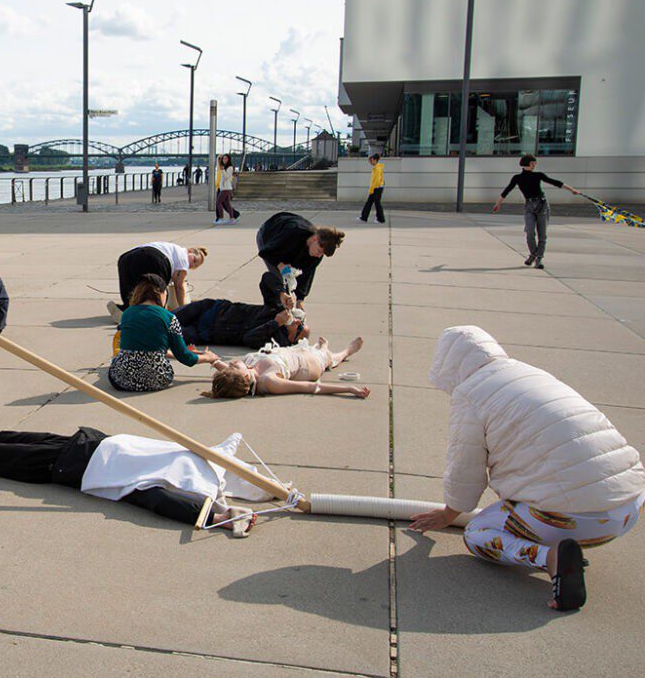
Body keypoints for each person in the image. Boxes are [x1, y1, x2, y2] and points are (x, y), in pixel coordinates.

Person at [410, 326, 645, 612]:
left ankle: (550, 557)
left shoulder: (470, 394)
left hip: (572, 519)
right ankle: (566, 546)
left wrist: (449, 514)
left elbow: (465, 467)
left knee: (476, 533)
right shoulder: (530, 374)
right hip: (630, 508)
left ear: (448, 364)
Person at [0, 399, 267, 536]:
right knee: (3, 436)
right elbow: (230, 448)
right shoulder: (203, 460)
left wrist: (219, 516)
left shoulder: (188, 486)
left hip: (67, 467)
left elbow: (163, 502)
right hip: (85, 441)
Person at [108, 274, 219, 392]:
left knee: (116, 362)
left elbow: (141, 347)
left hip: (122, 380)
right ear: (162, 293)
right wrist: (208, 357)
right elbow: (186, 358)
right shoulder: (169, 318)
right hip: (156, 379)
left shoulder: (127, 314)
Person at [175, 272, 308, 350]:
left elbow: (249, 339)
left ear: (292, 339)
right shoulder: (277, 309)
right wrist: (281, 293)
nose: (297, 322)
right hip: (212, 309)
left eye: (299, 327)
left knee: (168, 333)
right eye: (300, 320)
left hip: (205, 333)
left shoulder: (276, 342)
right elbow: (267, 277)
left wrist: (276, 323)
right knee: (167, 317)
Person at [202, 337, 368, 399]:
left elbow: (229, 374)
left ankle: (322, 349)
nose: (231, 364)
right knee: (328, 357)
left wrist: (211, 360)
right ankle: (344, 352)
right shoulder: (269, 381)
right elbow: (310, 387)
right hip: (310, 365)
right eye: (233, 367)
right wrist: (349, 389)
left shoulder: (245, 372)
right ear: (245, 377)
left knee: (315, 349)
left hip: (291, 353)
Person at [492, 155, 579, 269]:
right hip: (529, 206)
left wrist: (572, 189)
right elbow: (507, 190)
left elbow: (554, 182)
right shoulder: (517, 178)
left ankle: (539, 259)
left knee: (542, 234)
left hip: (542, 205)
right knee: (530, 232)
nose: (534, 165)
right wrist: (498, 203)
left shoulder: (538, 175)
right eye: (533, 163)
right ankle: (533, 254)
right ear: (528, 163)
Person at [256, 212, 344, 307]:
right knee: (281, 280)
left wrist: (300, 299)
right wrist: (280, 265)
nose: (319, 256)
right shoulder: (293, 232)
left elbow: (307, 274)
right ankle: (276, 308)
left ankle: (284, 306)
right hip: (269, 233)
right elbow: (266, 252)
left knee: (290, 276)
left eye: (322, 254)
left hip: (290, 246)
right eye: (319, 251)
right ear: (315, 238)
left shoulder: (319, 250)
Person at [108, 241, 207, 320]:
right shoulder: (183, 257)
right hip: (154, 258)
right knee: (156, 290)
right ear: (189, 251)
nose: (191, 265)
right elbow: (179, 286)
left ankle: (125, 309)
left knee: (133, 287)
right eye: (194, 260)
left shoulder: (172, 249)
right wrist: (184, 309)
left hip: (127, 257)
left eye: (194, 266)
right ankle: (151, 312)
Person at [359, 154, 385, 224]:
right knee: (370, 203)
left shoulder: (377, 169)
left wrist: (373, 189)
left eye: (371, 160)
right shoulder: (377, 168)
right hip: (376, 188)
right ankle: (364, 217)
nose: (370, 162)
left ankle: (380, 219)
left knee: (376, 203)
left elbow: (377, 180)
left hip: (377, 188)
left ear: (375, 160)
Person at [214, 153, 238, 225]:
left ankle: (221, 218)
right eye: (223, 158)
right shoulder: (224, 167)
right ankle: (232, 218)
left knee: (218, 202)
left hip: (226, 189)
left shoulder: (230, 168)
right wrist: (218, 160)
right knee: (227, 204)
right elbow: (219, 168)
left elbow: (227, 177)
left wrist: (223, 170)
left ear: (229, 159)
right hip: (224, 188)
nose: (224, 160)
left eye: (226, 158)